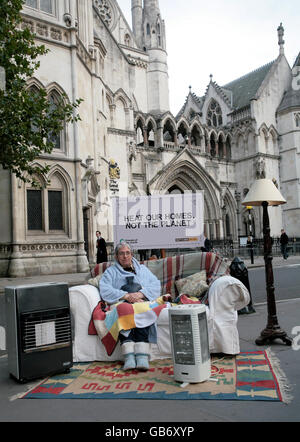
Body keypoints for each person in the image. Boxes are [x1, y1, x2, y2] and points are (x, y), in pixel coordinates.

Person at [99, 242, 161, 371]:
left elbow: (155, 285)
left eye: (127, 253)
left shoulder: (143, 270)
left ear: (132, 255)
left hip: (140, 301)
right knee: (124, 310)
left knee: (143, 310)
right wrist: (126, 296)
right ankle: (129, 357)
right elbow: (105, 289)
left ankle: (142, 356)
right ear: (116, 256)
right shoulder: (111, 272)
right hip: (122, 302)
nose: (125, 256)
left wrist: (140, 294)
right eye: (121, 253)